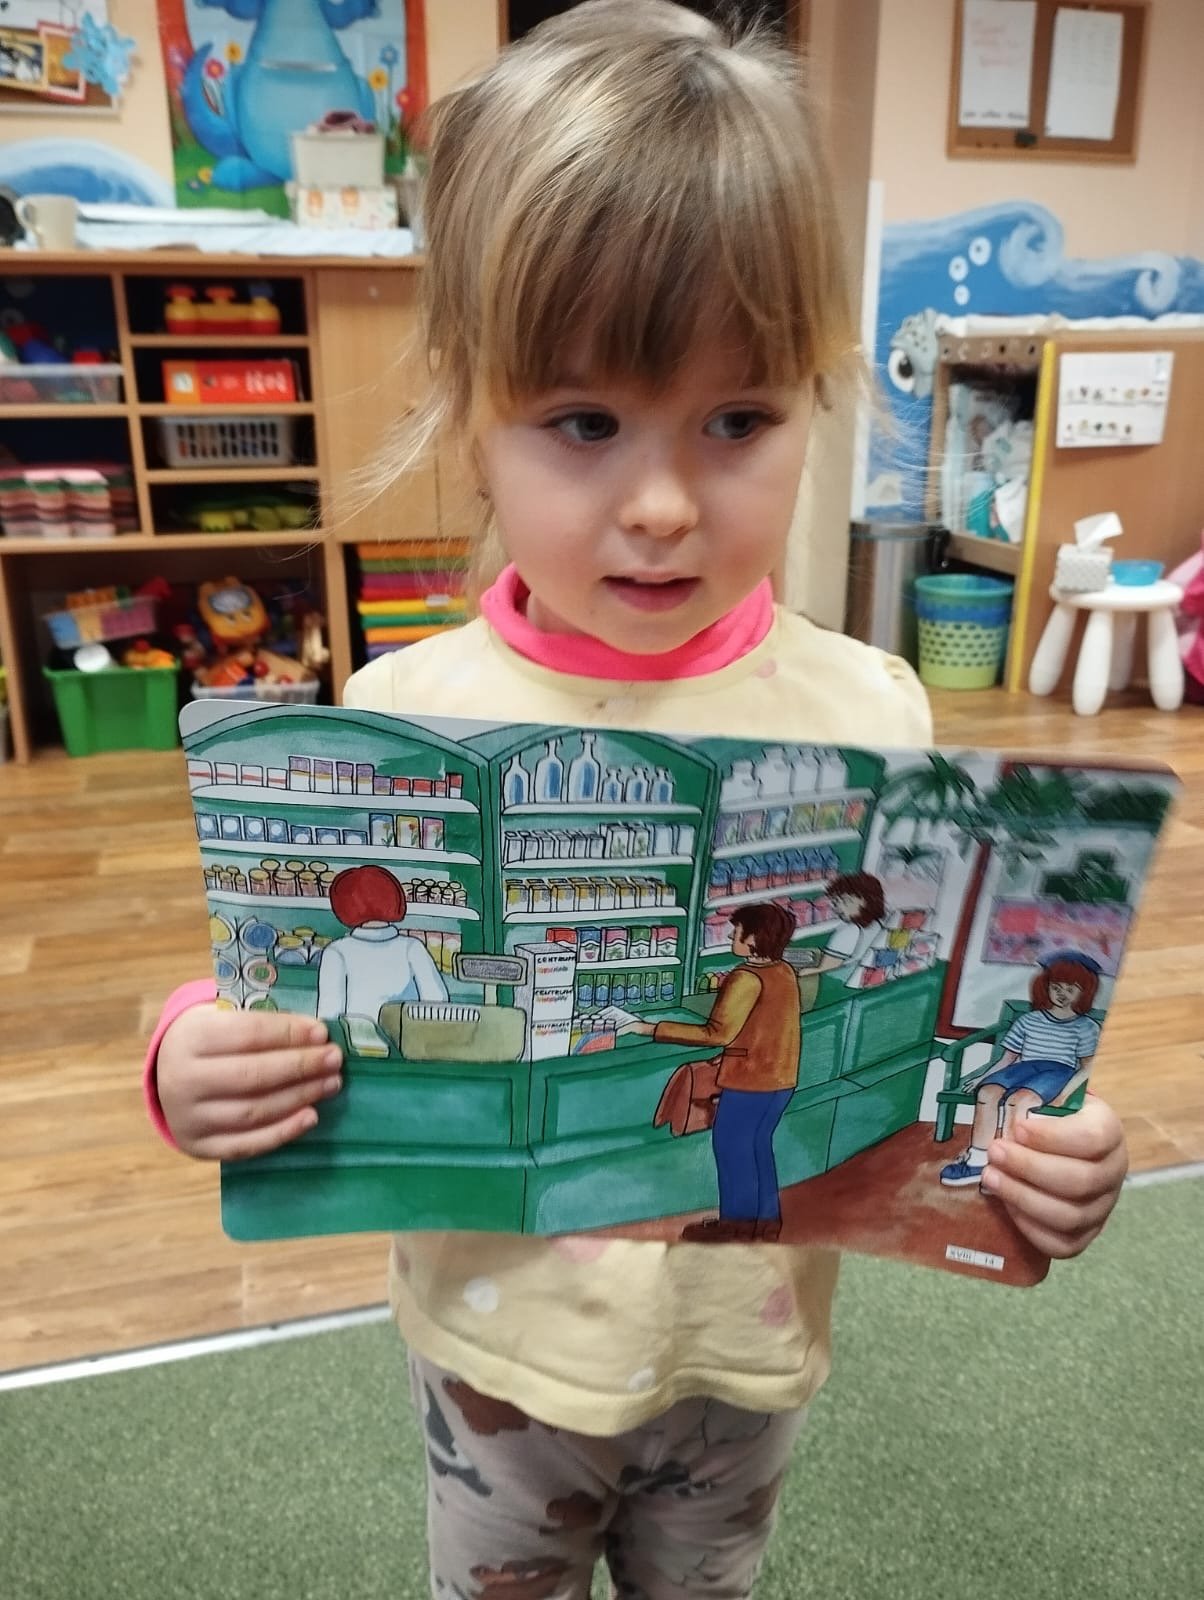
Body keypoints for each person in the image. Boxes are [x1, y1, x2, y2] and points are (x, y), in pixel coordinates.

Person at [144, 7, 1130, 1596]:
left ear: (815, 400)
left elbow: (963, 1017)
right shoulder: (393, 718)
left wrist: (1052, 1144)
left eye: (739, 421)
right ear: (472, 411)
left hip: (747, 1356)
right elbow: (282, 973)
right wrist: (193, 1055)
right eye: (585, 423)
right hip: (497, 1359)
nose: (664, 505)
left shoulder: (876, 710)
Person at [628, 902, 801, 1244]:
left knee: (732, 1149)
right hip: (780, 1079)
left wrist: (649, 1028)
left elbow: (717, 1033)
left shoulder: (746, 978)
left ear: (754, 938)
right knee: (758, 1148)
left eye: (736, 932)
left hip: (749, 1080)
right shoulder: (782, 971)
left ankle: (735, 1228)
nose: (730, 937)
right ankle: (766, 1224)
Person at [940, 952, 1102, 1189]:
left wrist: (1064, 1094)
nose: (1062, 994)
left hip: (1057, 1072)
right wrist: (982, 1078)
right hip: (1024, 1068)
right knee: (986, 1093)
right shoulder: (1028, 1021)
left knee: (1017, 1101)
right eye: (1056, 987)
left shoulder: (1086, 1027)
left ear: (1084, 992)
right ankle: (977, 1161)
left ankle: (1008, 1166)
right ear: (1045, 987)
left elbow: (1088, 1067)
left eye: (1070, 989)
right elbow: (1007, 1058)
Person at [315, 865, 448, 1021]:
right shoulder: (412, 947)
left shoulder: (336, 951)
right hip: (406, 1035)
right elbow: (437, 1004)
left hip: (356, 1036)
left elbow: (329, 1015)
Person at [810, 871, 890, 985]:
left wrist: (798, 971)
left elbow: (824, 969)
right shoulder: (879, 923)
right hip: (864, 980)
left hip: (839, 983)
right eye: (836, 902)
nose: (838, 908)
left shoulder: (849, 931)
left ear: (866, 901)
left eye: (846, 901)